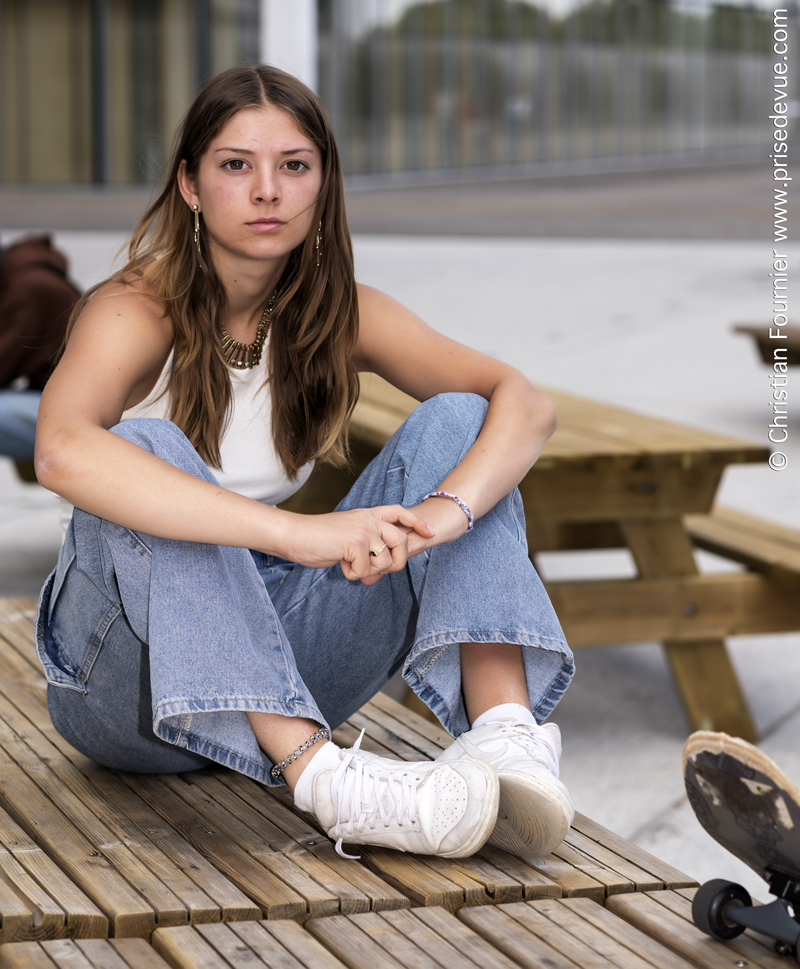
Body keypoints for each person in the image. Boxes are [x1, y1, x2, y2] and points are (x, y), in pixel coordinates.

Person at [34, 65, 575, 860]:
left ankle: (507, 741)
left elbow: (523, 402)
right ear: (188, 183)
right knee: (147, 453)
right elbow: (61, 448)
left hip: (283, 660)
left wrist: (441, 513)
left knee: (461, 417)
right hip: (126, 691)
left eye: (293, 165)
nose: (267, 191)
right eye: (234, 164)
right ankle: (329, 784)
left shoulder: (335, 312)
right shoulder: (135, 308)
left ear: (321, 183)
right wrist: (299, 535)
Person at [0, 235, 80, 463]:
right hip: (57, 400)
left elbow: (4, 363)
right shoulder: (20, 274)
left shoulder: (30, 289)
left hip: (82, 414)